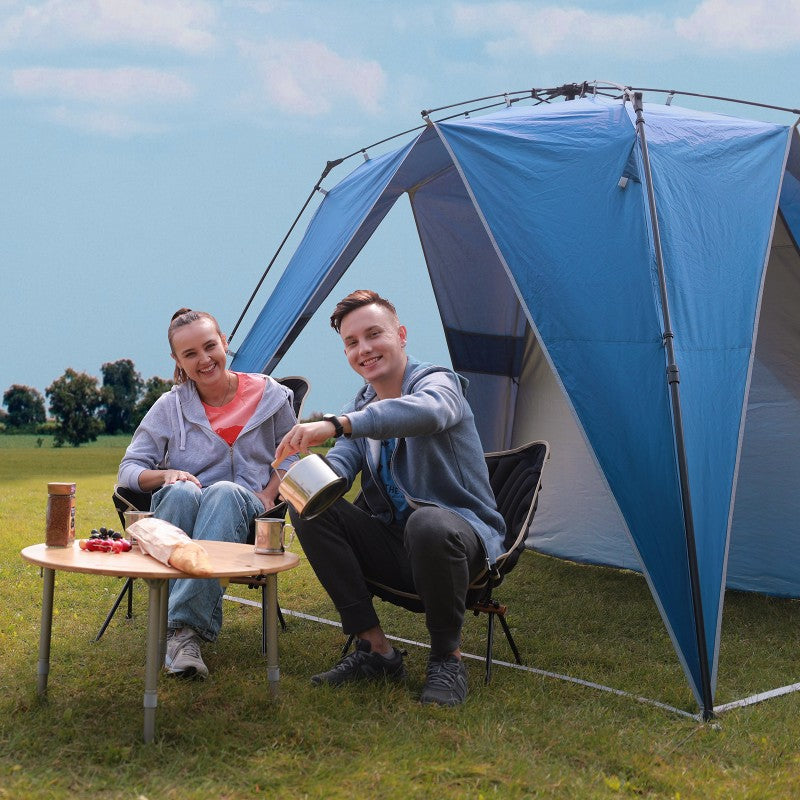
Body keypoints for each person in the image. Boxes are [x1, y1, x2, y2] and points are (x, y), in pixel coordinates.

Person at [272, 290, 505, 706]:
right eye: (351, 342)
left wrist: (338, 424)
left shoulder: (438, 383)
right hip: (396, 548)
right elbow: (340, 467)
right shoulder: (360, 406)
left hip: (457, 543)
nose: (364, 349)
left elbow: (430, 413)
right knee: (310, 504)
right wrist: (298, 471)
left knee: (428, 522)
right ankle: (375, 649)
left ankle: (447, 660)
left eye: (373, 334)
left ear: (400, 335)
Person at [118, 308, 298, 679]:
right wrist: (168, 473)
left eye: (209, 346)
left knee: (225, 492)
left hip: (246, 510)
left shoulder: (271, 394)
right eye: (190, 354)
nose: (204, 360)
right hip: (183, 512)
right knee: (182, 493)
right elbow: (129, 470)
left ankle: (180, 629)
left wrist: (268, 492)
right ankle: (183, 636)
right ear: (177, 361)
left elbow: (293, 455)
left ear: (225, 343)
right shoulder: (170, 407)